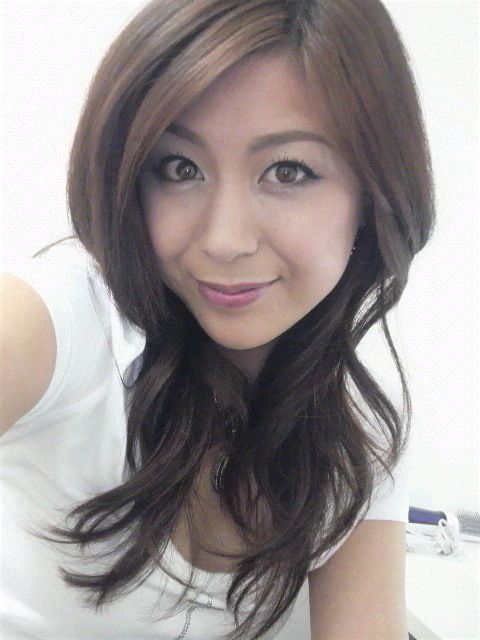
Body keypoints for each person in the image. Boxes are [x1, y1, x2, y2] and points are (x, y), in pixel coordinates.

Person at [0, 0, 435, 638]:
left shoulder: (361, 426)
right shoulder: (62, 320)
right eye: (180, 169)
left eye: (288, 171)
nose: (224, 240)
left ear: (374, 194)